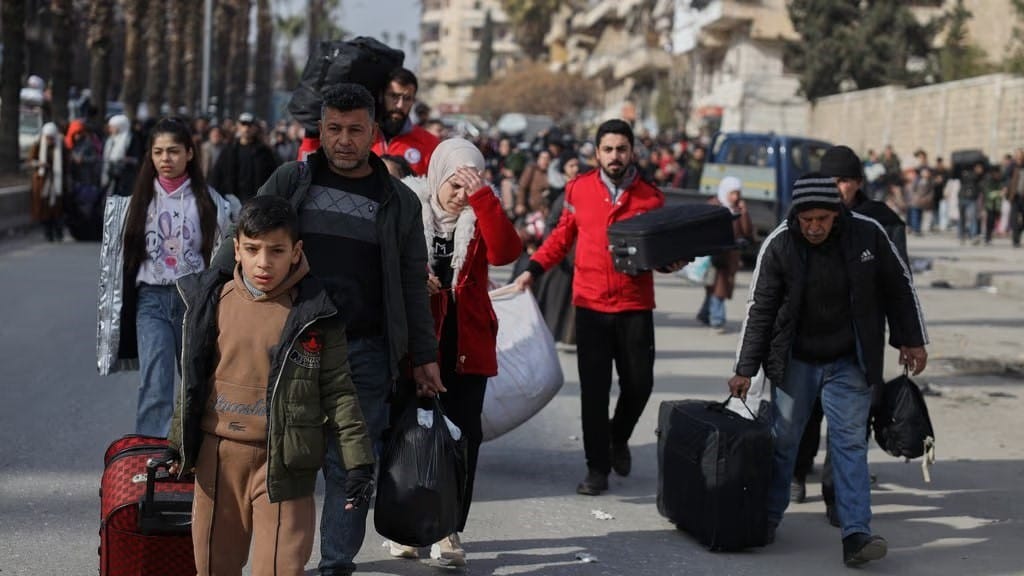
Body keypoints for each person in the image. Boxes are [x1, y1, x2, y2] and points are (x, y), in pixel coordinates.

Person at [209, 83, 442, 576]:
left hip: (364, 353)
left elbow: (410, 284)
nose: (343, 140)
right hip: (287, 351)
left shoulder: (399, 202)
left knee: (352, 465)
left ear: (374, 133)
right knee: (274, 456)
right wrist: (213, 303)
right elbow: (241, 239)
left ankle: (336, 563)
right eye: (333, 129)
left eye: (355, 130)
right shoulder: (291, 181)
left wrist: (423, 357)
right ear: (320, 130)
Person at [161, 196, 375, 576]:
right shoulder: (213, 302)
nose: (264, 262)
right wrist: (177, 443)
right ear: (237, 249)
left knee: (279, 567)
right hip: (218, 458)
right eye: (253, 249)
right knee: (213, 566)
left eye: (276, 251)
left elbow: (340, 392)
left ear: (296, 252)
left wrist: (358, 461)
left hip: (285, 463)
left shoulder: (315, 313)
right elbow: (192, 381)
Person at [728, 174, 928, 567]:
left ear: (836, 214)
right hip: (796, 362)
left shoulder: (867, 235)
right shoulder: (780, 243)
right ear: (797, 216)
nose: (815, 227)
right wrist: (745, 369)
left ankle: (856, 534)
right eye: (808, 219)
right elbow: (761, 309)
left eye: (823, 218)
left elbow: (899, 287)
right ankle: (766, 519)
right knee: (783, 441)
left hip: (849, 361)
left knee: (850, 445)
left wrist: (912, 339)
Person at [513, 119, 685, 495]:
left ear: (632, 151)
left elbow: (659, 250)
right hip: (590, 305)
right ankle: (597, 468)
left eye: (621, 149)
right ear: (597, 152)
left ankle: (617, 437)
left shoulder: (650, 198)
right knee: (594, 392)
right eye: (607, 149)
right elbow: (561, 236)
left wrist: (670, 261)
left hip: (634, 304)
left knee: (639, 384)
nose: (614, 156)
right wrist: (534, 269)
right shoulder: (579, 189)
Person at [388, 138, 520, 567]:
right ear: (437, 175)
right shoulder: (409, 204)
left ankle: (448, 530)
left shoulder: (482, 213)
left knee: (462, 439)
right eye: (455, 185)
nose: (460, 195)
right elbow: (384, 258)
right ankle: (406, 526)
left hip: (466, 341)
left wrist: (483, 197)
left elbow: (506, 253)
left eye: (469, 185)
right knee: (409, 433)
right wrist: (415, 275)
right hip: (416, 339)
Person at [95, 118, 236, 437]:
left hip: (194, 304)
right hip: (151, 303)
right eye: (158, 152)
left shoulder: (213, 204)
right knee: (155, 384)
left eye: (173, 151)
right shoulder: (134, 204)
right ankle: (150, 458)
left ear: (189, 153)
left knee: (195, 385)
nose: (165, 159)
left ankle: (191, 457)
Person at [792, 144, 910, 513]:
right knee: (805, 414)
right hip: (809, 336)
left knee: (851, 425)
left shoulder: (882, 222)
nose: (836, 187)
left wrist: (906, 338)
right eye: (829, 180)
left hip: (861, 339)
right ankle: (796, 473)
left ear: (858, 183)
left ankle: (837, 498)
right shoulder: (807, 215)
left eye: (843, 181)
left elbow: (899, 283)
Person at [696, 176, 753, 332]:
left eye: (737, 193)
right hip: (714, 255)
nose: (735, 197)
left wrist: (744, 212)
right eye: (732, 193)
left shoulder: (736, 209)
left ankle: (705, 314)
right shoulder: (714, 206)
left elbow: (747, 231)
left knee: (714, 287)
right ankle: (717, 319)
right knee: (718, 287)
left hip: (730, 257)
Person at [371, 68, 440, 176]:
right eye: (394, 96)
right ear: (381, 96)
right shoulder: (362, 136)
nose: (400, 105)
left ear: (413, 101)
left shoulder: (430, 144)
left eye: (407, 98)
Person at [208, 112, 280, 203]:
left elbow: (273, 177)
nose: (246, 128)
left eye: (250, 125)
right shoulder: (229, 150)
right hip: (231, 201)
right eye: (243, 124)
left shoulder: (264, 152)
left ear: (255, 128)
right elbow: (217, 175)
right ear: (238, 126)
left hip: (256, 202)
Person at [29, 122, 68, 242]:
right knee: (44, 207)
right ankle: (48, 232)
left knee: (57, 208)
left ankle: (58, 231)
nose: (49, 140)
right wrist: (39, 164)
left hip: (57, 180)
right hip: (42, 181)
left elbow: (66, 162)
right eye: (47, 138)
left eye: (51, 138)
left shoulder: (61, 146)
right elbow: (31, 160)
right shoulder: (38, 145)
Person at [102, 114, 143, 198]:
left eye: (113, 127)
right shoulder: (110, 140)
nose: (110, 129)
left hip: (126, 177)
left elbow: (136, 158)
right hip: (112, 175)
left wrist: (124, 160)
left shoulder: (130, 139)